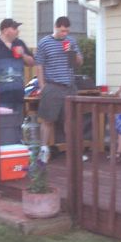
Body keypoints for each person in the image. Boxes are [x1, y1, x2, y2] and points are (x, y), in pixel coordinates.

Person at [35, 16, 83, 150]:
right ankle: (43, 151)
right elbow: (39, 65)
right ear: (56, 27)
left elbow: (77, 64)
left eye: (67, 31)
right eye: (62, 31)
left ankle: (73, 152)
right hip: (52, 86)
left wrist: (71, 53)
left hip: (69, 87)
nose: (64, 34)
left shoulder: (71, 42)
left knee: (70, 121)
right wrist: (42, 86)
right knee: (48, 120)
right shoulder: (44, 42)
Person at [0, 18, 35, 116]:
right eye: (14, 28)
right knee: (2, 122)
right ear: (5, 30)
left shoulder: (19, 43)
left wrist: (23, 55)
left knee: (18, 122)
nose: (18, 31)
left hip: (18, 93)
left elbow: (32, 62)